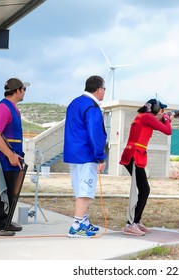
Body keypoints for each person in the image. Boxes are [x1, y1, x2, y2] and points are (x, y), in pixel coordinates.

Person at [119, 98, 177, 236]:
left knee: (143, 190)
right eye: (161, 110)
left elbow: (160, 124)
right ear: (156, 110)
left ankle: (136, 222)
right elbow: (168, 131)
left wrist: (168, 118)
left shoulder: (143, 117)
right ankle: (130, 224)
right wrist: (168, 118)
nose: (162, 112)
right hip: (135, 155)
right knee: (144, 190)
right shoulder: (146, 117)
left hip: (133, 154)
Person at [63, 75, 107, 238]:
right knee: (85, 190)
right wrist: (100, 156)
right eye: (104, 89)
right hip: (86, 154)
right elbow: (95, 133)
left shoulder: (75, 103)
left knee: (80, 187)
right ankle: (76, 225)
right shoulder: (91, 106)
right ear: (99, 89)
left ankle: (84, 222)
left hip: (73, 153)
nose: (104, 93)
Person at [0, 78, 29, 236]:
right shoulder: (3, 108)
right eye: (24, 89)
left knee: (11, 189)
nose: (25, 92)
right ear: (17, 90)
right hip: (5, 157)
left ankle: (6, 221)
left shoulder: (12, 108)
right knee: (1, 190)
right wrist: (10, 154)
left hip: (12, 156)